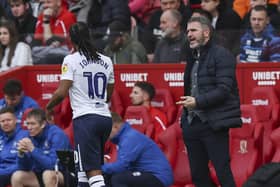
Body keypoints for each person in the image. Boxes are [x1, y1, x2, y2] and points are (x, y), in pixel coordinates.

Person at [46, 22, 114, 187]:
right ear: (89, 35)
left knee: (92, 172)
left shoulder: (71, 59)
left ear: (70, 39)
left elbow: (61, 92)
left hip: (86, 119)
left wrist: (48, 108)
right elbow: (109, 93)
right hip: (104, 117)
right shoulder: (106, 60)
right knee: (83, 170)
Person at [176, 16, 242, 187]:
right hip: (191, 123)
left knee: (222, 172)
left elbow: (223, 90)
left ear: (206, 33)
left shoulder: (222, 55)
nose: (189, 34)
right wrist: (185, 117)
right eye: (188, 31)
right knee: (198, 176)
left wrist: (197, 102)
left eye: (193, 30)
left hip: (214, 123)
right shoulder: (192, 56)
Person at [102, 112, 174, 187]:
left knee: (119, 179)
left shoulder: (130, 137)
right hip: (145, 174)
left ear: (115, 127)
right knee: (106, 178)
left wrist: (98, 169)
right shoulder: (124, 137)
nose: (104, 133)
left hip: (158, 176)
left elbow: (121, 166)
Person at [11, 108, 72, 187]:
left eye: (33, 124)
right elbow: (24, 168)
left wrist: (33, 149)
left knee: (48, 174)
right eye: (28, 124)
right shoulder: (28, 135)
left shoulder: (57, 134)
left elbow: (53, 165)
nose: (29, 127)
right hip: (40, 173)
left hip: (63, 174)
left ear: (43, 124)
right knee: (17, 176)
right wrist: (21, 154)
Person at [0, 107, 28, 187]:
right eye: (2, 121)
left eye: (9, 120)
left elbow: (23, 164)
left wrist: (2, 171)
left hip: (16, 172)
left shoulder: (25, 136)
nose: (5, 123)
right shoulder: (1, 138)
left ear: (15, 120)